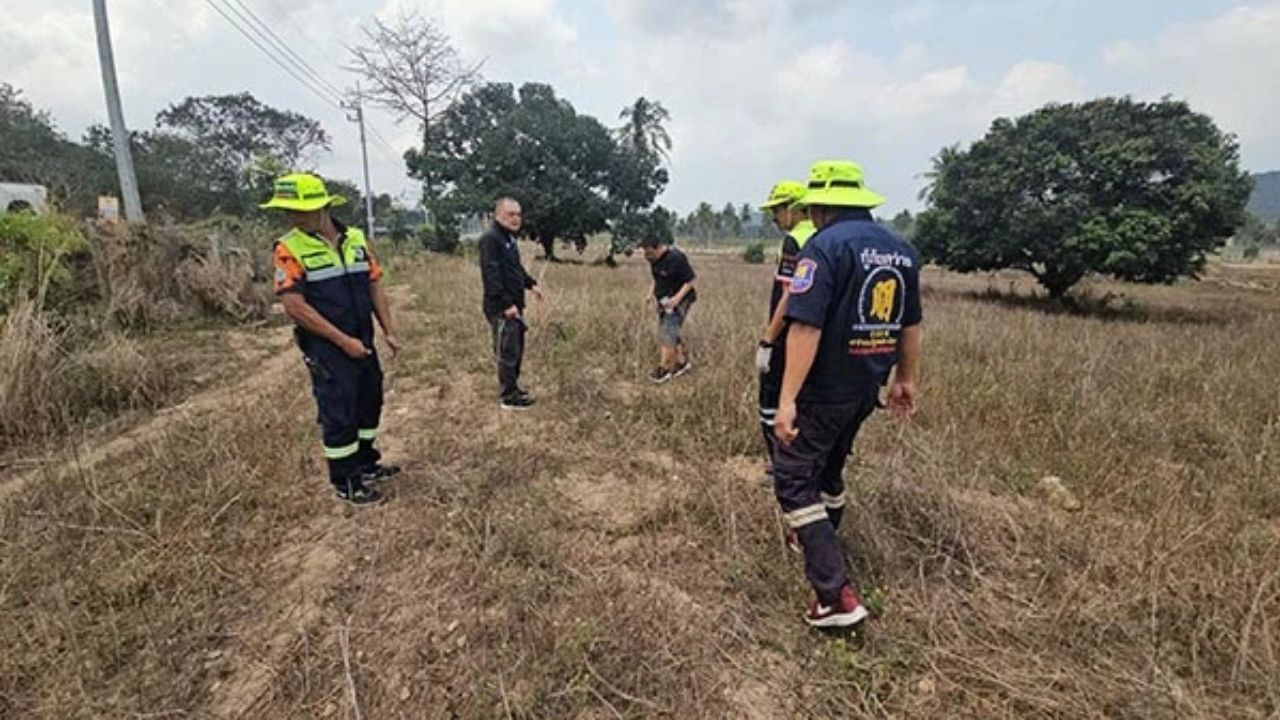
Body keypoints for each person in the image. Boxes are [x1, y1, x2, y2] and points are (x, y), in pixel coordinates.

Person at [773, 160, 923, 628]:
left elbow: (805, 327)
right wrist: (905, 378)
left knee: (793, 476)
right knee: (831, 469)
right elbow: (911, 323)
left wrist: (787, 399)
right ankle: (822, 538)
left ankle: (834, 595)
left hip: (825, 386)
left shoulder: (823, 247)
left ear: (820, 205)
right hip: (867, 385)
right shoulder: (902, 250)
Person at [264, 173, 401, 506]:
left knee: (370, 402)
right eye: (288, 211)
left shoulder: (355, 239)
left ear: (323, 208)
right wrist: (342, 342)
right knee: (339, 412)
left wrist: (388, 330)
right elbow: (294, 306)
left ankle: (367, 462)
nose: (293, 217)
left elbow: (374, 286)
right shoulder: (288, 249)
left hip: (363, 340)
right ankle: (347, 482)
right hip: (327, 348)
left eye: (300, 210)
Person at [756, 180, 817, 483]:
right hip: (815, 335)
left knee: (771, 400)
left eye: (777, 211)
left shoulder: (795, 240)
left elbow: (790, 293)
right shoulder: (823, 236)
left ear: (792, 208)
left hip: (788, 335)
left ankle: (780, 466)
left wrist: (768, 338)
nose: (774, 219)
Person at [479, 197, 543, 409]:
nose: (516, 219)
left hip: (516, 304)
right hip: (501, 307)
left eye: (518, 214)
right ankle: (508, 397)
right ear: (498, 215)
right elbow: (492, 276)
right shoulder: (491, 239)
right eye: (510, 214)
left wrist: (531, 284)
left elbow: (515, 270)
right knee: (507, 350)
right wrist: (506, 304)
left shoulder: (509, 238)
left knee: (516, 348)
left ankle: (514, 386)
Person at [640, 235, 697, 384]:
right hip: (664, 301)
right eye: (645, 253)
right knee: (671, 331)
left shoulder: (676, 258)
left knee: (667, 333)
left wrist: (676, 300)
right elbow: (657, 279)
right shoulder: (654, 260)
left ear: (659, 247)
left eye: (650, 253)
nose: (647, 257)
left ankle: (664, 369)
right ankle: (682, 363)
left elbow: (690, 281)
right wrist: (650, 293)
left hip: (680, 300)